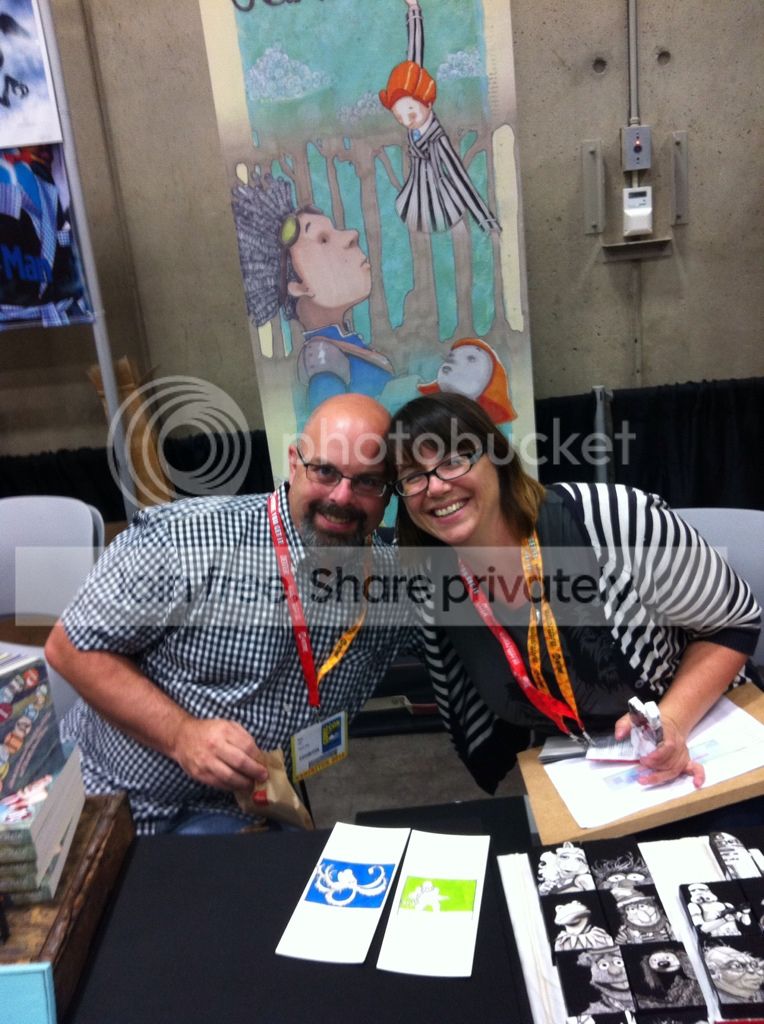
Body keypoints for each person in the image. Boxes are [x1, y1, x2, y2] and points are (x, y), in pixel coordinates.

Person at [45, 394, 414, 834]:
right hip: (111, 804)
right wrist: (182, 735)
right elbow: (69, 647)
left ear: (389, 493)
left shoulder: (391, 583)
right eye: (326, 471)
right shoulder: (185, 539)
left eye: (368, 482)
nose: (342, 496)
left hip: (250, 809)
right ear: (294, 462)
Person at [387, 392, 762, 794]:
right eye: (412, 476)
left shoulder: (612, 520)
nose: (436, 487)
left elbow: (735, 621)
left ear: (496, 456)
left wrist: (672, 719)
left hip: (703, 741)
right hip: (583, 778)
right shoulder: (431, 581)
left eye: (453, 460)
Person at [231, 173, 395, 409]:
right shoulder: (323, 357)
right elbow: (331, 432)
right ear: (300, 287)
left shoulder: (343, 344)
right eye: (324, 240)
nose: (351, 235)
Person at [379, 0, 500, 235]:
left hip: (439, 200)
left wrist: (487, 223)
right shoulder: (414, 118)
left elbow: (460, 178)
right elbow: (414, 62)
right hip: (415, 194)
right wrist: (414, 11)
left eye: (411, 112)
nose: (406, 120)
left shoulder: (436, 139)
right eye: (399, 115)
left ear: (428, 101)